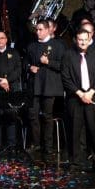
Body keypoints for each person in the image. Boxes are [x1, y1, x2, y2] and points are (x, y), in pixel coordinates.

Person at [61, 28, 95, 174]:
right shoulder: (68, 55)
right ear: (76, 40)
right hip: (75, 99)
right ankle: (75, 164)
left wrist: (91, 92)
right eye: (80, 40)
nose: (82, 42)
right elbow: (65, 77)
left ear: (89, 40)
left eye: (85, 40)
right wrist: (80, 94)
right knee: (74, 133)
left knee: (94, 132)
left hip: (92, 97)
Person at [26, 19, 66, 157]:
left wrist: (48, 62)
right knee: (33, 115)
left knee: (47, 116)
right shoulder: (32, 46)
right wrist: (29, 67)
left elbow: (63, 66)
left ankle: (48, 146)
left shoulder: (58, 45)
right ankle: (36, 143)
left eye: (40, 29)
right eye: (36, 30)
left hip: (49, 86)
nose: (38, 32)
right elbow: (25, 62)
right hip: (34, 85)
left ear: (48, 30)